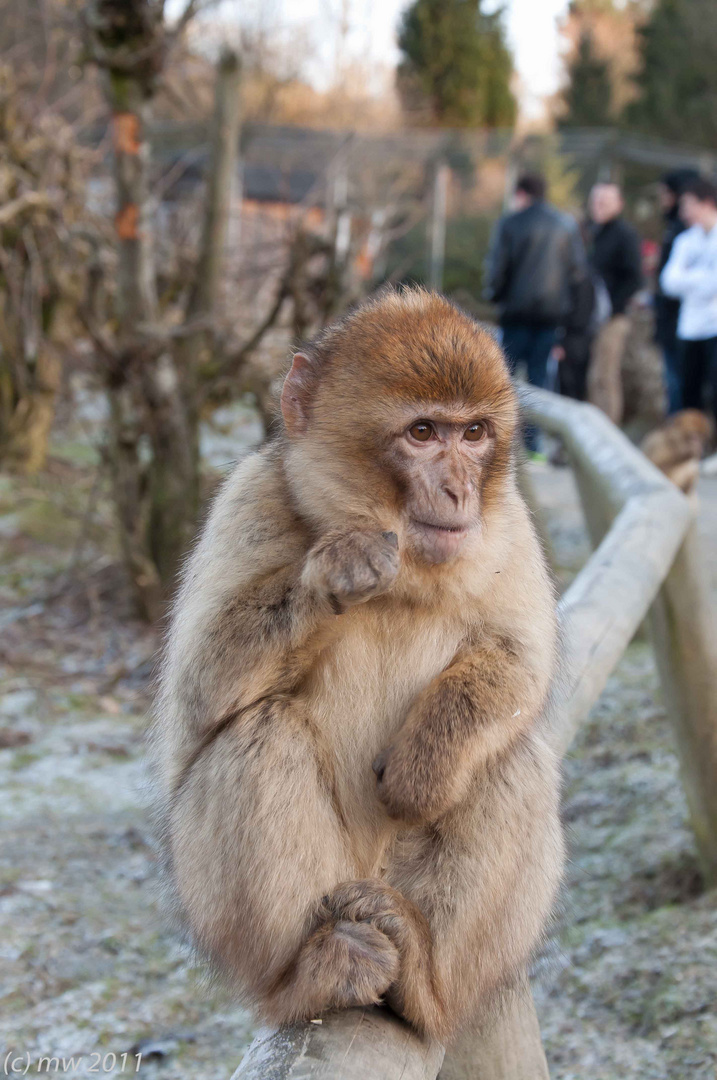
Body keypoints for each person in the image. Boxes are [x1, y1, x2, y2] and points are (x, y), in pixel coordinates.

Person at [485, 172, 587, 456]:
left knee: (502, 379)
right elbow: (577, 273)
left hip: (515, 316)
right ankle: (534, 447)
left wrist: (494, 295)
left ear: (520, 194)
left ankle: (499, 447)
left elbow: (497, 269)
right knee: (539, 382)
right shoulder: (565, 225)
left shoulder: (510, 223)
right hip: (551, 319)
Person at [660, 176, 717, 422]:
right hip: (689, 328)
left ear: (706, 203)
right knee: (688, 394)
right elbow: (669, 282)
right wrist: (703, 278)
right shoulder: (685, 240)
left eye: (688, 205)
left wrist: (690, 279)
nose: (683, 212)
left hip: (714, 327)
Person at [586, 182, 643, 425]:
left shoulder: (625, 234)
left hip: (613, 317)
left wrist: (612, 307)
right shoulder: (593, 232)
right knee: (592, 376)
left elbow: (634, 278)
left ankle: (607, 432)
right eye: (596, 201)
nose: (599, 206)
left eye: (605, 202)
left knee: (605, 376)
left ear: (618, 205)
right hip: (591, 315)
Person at [655, 168, 700, 413]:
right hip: (670, 317)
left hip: (682, 320)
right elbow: (669, 279)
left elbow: (675, 281)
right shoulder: (674, 227)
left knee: (679, 380)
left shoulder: (684, 232)